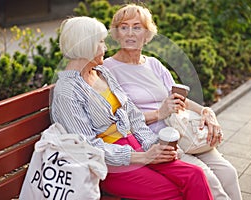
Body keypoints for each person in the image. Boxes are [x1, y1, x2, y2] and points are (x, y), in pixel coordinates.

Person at [50, 16, 213, 200]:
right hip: (108, 164)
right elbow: (88, 147)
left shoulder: (102, 73)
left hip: (136, 146)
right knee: (173, 192)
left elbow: (133, 115)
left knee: (195, 176)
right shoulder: (67, 91)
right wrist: (142, 157)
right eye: (101, 42)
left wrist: (154, 147)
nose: (105, 47)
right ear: (85, 46)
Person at [103, 4, 242, 200]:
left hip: (183, 130)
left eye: (137, 27)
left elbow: (179, 98)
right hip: (157, 141)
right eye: (124, 27)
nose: (130, 33)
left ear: (147, 33)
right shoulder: (109, 70)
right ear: (116, 33)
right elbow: (117, 120)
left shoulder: (153, 64)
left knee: (228, 172)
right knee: (209, 181)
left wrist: (206, 111)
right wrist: (159, 114)